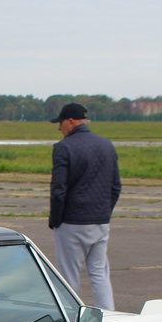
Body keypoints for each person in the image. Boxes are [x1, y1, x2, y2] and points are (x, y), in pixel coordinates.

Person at [47, 102, 121, 310]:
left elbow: (58, 189)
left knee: (69, 276)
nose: (60, 129)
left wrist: (56, 219)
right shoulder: (107, 144)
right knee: (99, 273)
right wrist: (104, 211)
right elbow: (116, 186)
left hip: (72, 221)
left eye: (60, 124)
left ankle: (73, 317)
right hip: (100, 220)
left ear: (70, 122)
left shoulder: (64, 147)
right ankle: (109, 315)